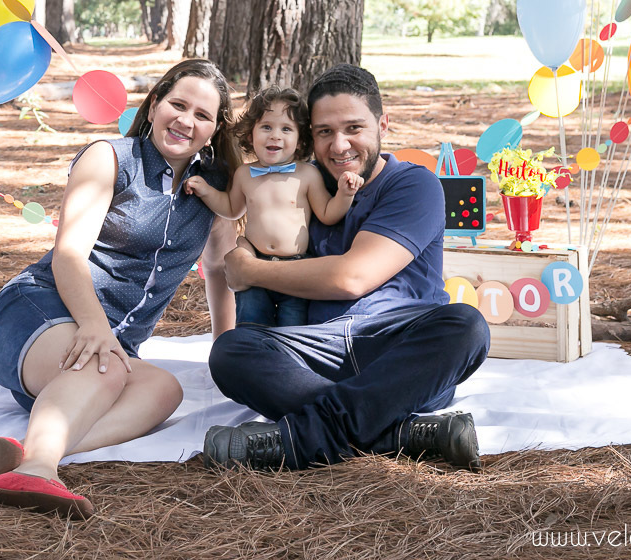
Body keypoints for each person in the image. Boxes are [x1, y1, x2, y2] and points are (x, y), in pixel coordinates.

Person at [0, 59, 237, 518]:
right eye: (177, 105)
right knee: (107, 366)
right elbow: (69, 254)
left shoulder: (216, 190)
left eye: (202, 115)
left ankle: (23, 451)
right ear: (154, 105)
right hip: (37, 312)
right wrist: (97, 327)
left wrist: (224, 349)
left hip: (97, 355)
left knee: (164, 391)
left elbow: (219, 271)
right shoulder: (110, 157)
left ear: (213, 130)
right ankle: (37, 469)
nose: (185, 121)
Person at [202, 64, 491, 472]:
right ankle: (399, 434)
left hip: (398, 349)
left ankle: (300, 439)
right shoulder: (309, 184)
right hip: (318, 350)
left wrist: (253, 272)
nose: (339, 146)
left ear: (382, 125)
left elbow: (351, 278)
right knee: (232, 350)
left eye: (354, 128)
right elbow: (251, 220)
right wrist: (243, 248)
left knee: (466, 326)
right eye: (324, 132)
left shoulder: (414, 185)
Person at [185, 86, 362, 327]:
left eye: (286, 129)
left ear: (300, 141)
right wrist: (206, 191)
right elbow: (231, 209)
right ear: (251, 134)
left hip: (297, 268)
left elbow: (328, 214)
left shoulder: (307, 175)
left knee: (293, 328)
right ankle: (251, 359)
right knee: (251, 324)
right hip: (254, 264)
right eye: (266, 127)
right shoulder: (245, 174)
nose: (275, 135)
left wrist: (345, 194)